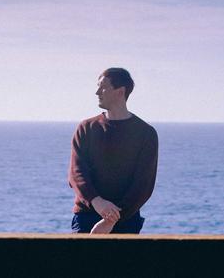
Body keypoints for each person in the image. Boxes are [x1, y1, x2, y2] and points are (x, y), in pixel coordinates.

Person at [68, 67, 159, 234]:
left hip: (126, 218)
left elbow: (143, 185)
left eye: (103, 87)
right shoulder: (86, 128)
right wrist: (97, 202)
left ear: (120, 91)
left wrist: (112, 219)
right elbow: (76, 173)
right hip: (87, 215)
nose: (97, 92)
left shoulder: (146, 133)